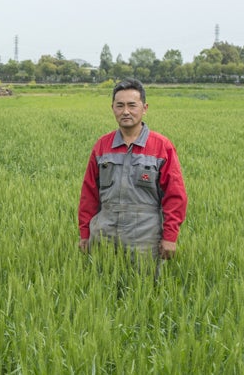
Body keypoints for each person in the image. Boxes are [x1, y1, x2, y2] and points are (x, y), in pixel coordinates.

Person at [78, 79, 187, 270]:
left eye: (132, 105)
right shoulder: (102, 145)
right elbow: (89, 193)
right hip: (104, 234)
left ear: (144, 108)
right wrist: (85, 233)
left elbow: (175, 195)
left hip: (144, 238)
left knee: (144, 286)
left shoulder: (161, 146)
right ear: (112, 108)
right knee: (102, 283)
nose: (125, 111)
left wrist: (170, 237)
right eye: (120, 105)